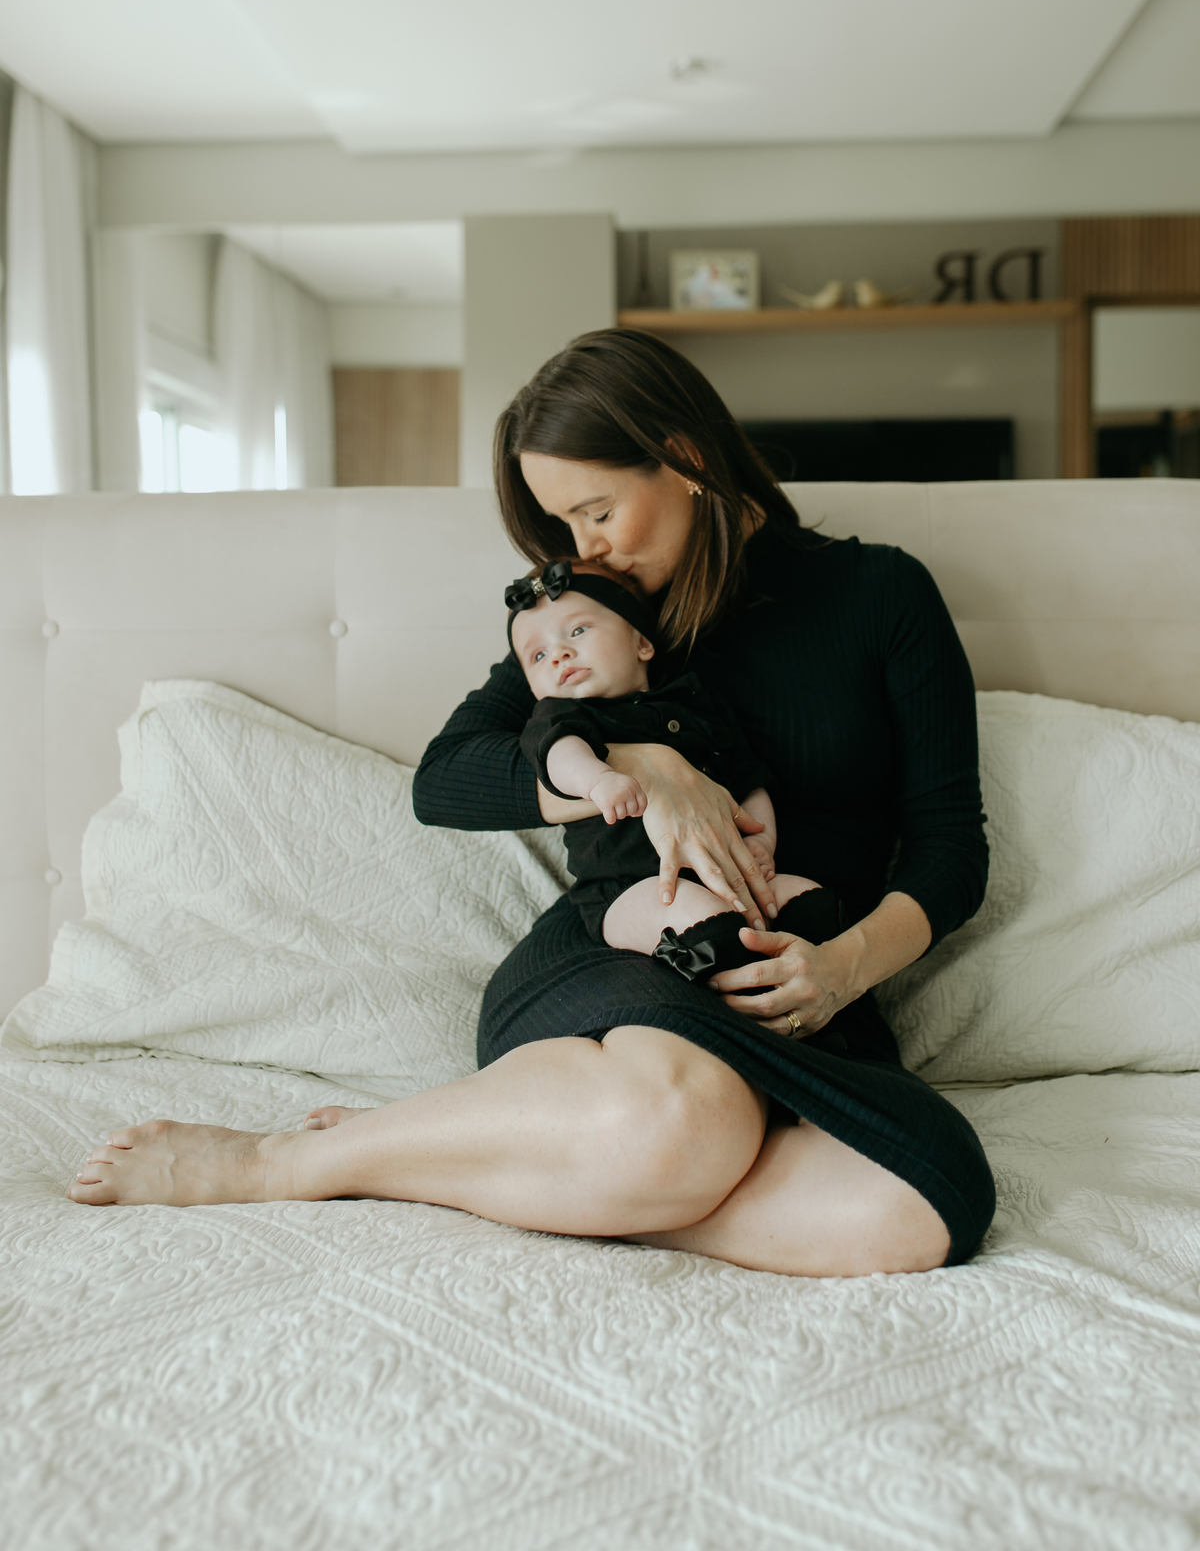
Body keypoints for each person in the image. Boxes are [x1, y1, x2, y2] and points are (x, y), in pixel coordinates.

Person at [67, 329, 994, 1280]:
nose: (585, 550)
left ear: (683, 458)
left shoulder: (881, 593)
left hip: (799, 974)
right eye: (565, 526)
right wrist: (642, 765)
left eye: (597, 512)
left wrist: (842, 968)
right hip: (619, 951)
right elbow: (447, 777)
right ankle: (289, 1162)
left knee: (925, 1207)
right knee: (685, 1117)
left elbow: (949, 847)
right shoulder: (599, 616)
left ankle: (506, 1167)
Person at [507, 554, 833, 971]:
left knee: (809, 902)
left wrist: (761, 841)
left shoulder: (695, 701)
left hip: (725, 866)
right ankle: (710, 972)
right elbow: (559, 755)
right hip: (631, 887)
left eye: (578, 630)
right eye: (538, 656)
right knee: (708, 925)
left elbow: (749, 779)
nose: (558, 655)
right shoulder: (560, 715)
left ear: (641, 642)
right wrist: (598, 780)